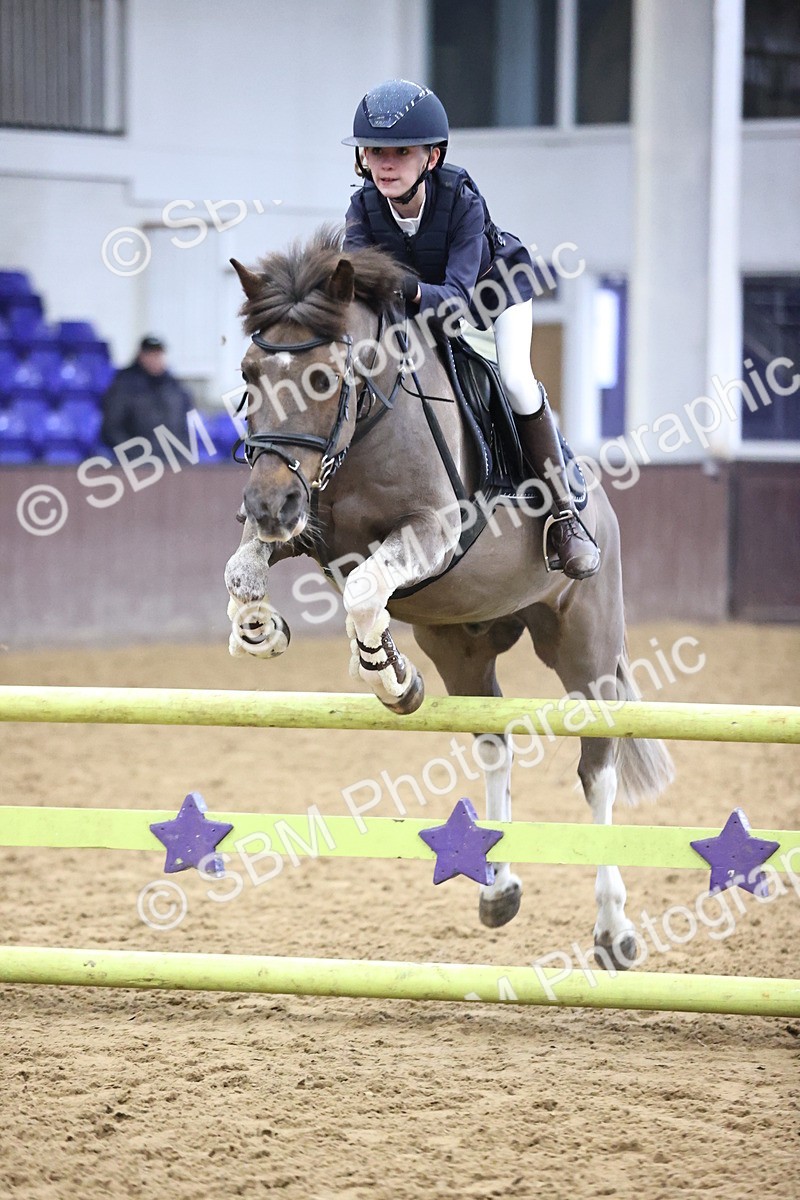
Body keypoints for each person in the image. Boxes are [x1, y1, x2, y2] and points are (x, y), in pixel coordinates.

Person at [342, 79, 599, 580]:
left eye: (401, 151)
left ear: (431, 158)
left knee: (516, 380)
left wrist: (405, 289)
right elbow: (359, 285)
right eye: (375, 151)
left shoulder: (461, 198)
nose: (385, 164)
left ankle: (564, 515)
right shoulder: (362, 207)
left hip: (493, 297)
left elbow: (457, 296)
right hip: (419, 310)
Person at [100, 335, 193, 452]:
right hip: (139, 461)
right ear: (141, 356)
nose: (155, 359)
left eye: (158, 355)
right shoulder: (123, 385)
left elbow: (185, 424)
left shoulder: (174, 387)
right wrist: (134, 453)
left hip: (175, 458)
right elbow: (111, 428)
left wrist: (183, 449)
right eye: (150, 354)